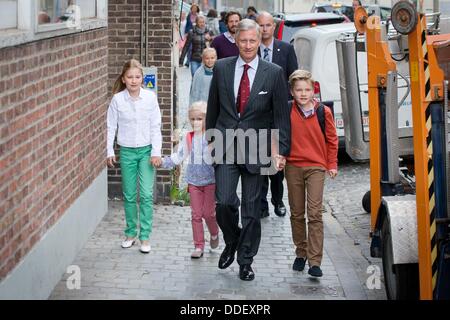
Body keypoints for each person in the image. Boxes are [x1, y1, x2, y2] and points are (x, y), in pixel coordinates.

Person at [206, 19, 291, 281]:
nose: (248, 45)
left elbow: (280, 118)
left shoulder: (274, 72)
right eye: (243, 40)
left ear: (259, 41)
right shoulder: (221, 67)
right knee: (224, 203)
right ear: (236, 40)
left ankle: (245, 260)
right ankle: (232, 240)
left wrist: (280, 151)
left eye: (253, 41)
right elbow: (213, 108)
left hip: (258, 145)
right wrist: (211, 141)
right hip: (225, 143)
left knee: (252, 210)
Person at [285, 70, 338, 277]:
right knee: (297, 213)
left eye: (307, 89)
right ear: (292, 92)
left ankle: (315, 261)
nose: (303, 93)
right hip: (293, 167)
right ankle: (301, 252)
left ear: (313, 90)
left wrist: (331, 164)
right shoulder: (288, 110)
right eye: (299, 90)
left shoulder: (323, 112)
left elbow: (332, 140)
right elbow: (280, 134)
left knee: (314, 213)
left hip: (316, 166)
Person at [107, 59, 162, 254]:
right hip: (127, 152)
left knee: (146, 195)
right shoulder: (117, 100)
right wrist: (109, 150)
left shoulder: (150, 98)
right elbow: (111, 126)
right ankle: (130, 233)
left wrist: (156, 151)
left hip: (147, 152)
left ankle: (145, 236)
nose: (133, 80)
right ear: (123, 79)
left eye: (137, 77)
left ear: (142, 78)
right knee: (130, 195)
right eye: (130, 77)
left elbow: (156, 126)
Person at [162, 102, 219, 259]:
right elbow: (179, 155)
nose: (196, 122)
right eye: (193, 119)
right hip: (193, 181)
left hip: (210, 181)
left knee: (208, 214)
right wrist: (163, 162)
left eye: (200, 119)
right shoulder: (189, 137)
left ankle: (214, 233)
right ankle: (198, 246)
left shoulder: (212, 136)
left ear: (207, 119)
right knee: (196, 215)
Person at [256, 11, 298, 219]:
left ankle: (278, 200)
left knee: (277, 163)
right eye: (261, 25)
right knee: (261, 162)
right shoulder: (250, 49)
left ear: (274, 27)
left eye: (268, 25)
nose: (264, 29)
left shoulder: (286, 49)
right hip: (259, 115)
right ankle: (262, 203)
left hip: (279, 114)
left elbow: (294, 78)